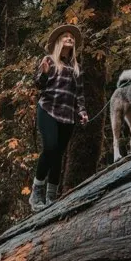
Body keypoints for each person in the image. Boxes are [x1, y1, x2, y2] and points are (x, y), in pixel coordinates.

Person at [29, 24, 89, 212]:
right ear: (58, 41)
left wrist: (82, 111)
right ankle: (36, 191)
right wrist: (44, 73)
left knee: (58, 156)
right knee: (50, 147)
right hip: (47, 110)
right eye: (65, 36)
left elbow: (79, 93)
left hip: (67, 116)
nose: (69, 38)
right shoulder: (49, 60)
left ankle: (51, 197)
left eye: (72, 37)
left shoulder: (75, 68)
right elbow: (39, 85)